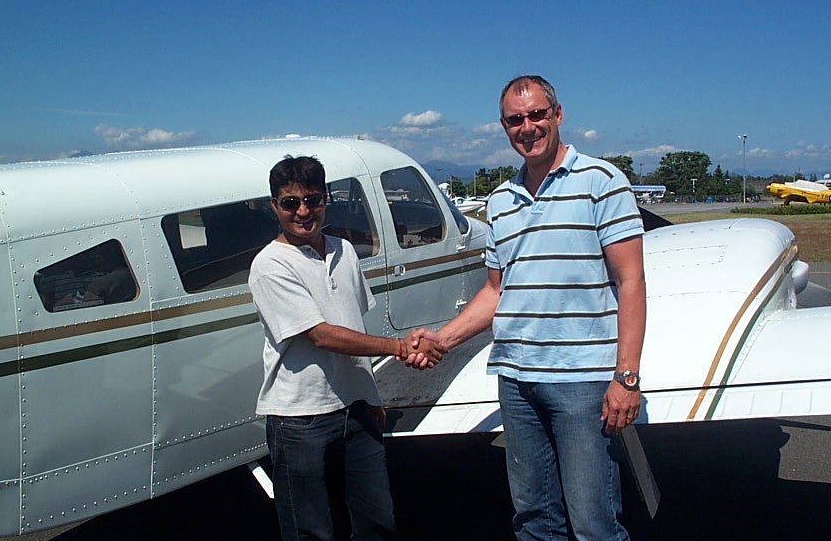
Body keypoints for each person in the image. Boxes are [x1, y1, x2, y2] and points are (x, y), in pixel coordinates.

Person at [416, 75, 646, 540]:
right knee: (534, 520)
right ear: (504, 127)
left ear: (557, 115)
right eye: (515, 119)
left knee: (593, 522)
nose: (528, 127)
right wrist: (443, 338)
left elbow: (631, 282)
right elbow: (496, 292)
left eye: (537, 114)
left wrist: (626, 378)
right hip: (517, 382)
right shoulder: (500, 201)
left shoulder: (602, 182)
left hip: (583, 383)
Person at [248, 155, 442, 541]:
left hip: (355, 409)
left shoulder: (344, 250)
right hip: (298, 417)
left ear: (325, 201)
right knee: (310, 529)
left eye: (314, 200)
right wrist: (401, 347)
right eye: (290, 203)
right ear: (274, 207)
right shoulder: (269, 265)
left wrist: (371, 396)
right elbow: (321, 335)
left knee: (377, 519)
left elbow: (353, 324)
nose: (303, 211)